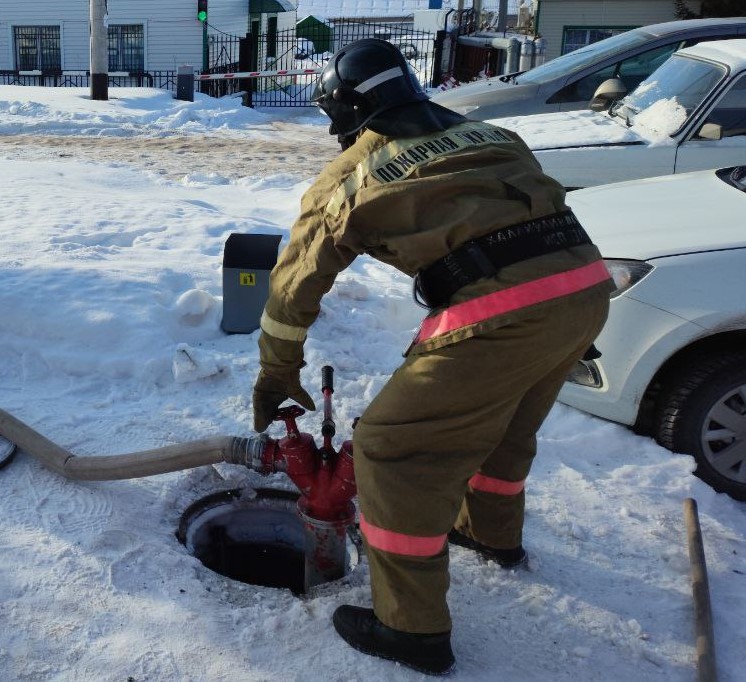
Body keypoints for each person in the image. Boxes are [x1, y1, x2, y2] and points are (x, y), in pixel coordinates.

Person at [251, 38, 614, 676]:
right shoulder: (487, 132)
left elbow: (294, 284)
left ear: (344, 114)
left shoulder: (352, 174)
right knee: (504, 426)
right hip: (583, 287)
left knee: (393, 448)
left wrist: (277, 371)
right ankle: (488, 533)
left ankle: (412, 630)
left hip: (501, 309)